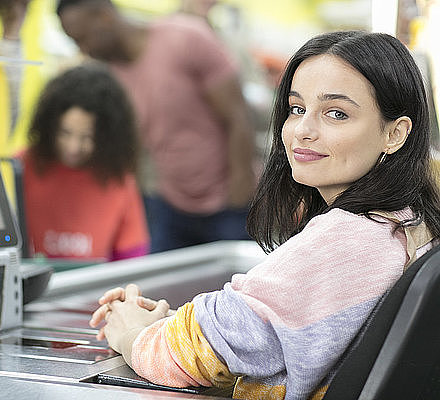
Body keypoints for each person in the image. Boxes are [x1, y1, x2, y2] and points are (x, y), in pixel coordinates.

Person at [88, 31, 440, 399]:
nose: (303, 131)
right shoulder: (407, 221)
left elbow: (187, 356)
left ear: (395, 134)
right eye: (297, 108)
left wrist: (131, 331)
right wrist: (169, 324)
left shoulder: (347, 238)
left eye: (336, 114)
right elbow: (259, 336)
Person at [57, 0, 257, 253]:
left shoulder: (184, 37)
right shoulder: (112, 75)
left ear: (104, 17)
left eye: (83, 38)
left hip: (227, 205)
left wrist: (239, 190)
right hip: (170, 205)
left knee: (234, 288)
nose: (83, 49)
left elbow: (238, 115)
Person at [22, 63, 149, 261]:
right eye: (65, 133)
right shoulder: (22, 166)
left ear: (107, 137)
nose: (73, 147)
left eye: (86, 138)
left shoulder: (118, 179)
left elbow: (132, 259)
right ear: (50, 126)